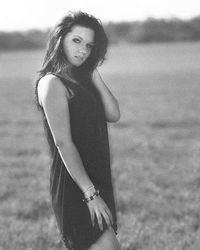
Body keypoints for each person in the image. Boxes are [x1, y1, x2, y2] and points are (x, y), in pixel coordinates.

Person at [35, 11, 121, 250]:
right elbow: (63, 142)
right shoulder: (52, 83)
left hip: (96, 178)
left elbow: (113, 114)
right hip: (77, 186)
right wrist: (90, 194)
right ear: (60, 40)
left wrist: (93, 71)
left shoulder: (83, 80)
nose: (83, 50)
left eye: (89, 45)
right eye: (76, 41)